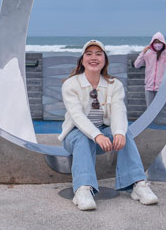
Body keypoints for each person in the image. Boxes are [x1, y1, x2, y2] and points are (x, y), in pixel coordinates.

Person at [61, 40, 158, 211]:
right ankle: (83, 190)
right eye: (89, 54)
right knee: (82, 138)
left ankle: (138, 185)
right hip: (75, 135)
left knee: (125, 133)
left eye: (99, 54)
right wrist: (96, 135)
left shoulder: (115, 85)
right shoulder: (70, 84)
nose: (94, 57)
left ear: (105, 60)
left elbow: (119, 111)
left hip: (103, 133)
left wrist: (119, 132)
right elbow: (77, 116)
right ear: (82, 60)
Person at [133, 32, 166, 107]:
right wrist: (143, 52)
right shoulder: (148, 54)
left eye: (159, 42)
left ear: (163, 43)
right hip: (149, 88)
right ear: (152, 43)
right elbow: (137, 65)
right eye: (155, 42)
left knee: (160, 110)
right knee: (150, 110)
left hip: (161, 88)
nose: (157, 45)